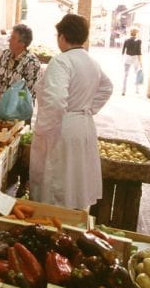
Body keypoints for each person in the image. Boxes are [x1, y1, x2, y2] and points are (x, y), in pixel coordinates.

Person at [31, 14, 113, 209]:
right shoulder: (92, 61)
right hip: (83, 126)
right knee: (76, 181)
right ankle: (74, 220)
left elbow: (57, 101)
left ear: (62, 37)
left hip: (63, 128)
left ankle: (57, 224)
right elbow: (107, 88)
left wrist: (42, 129)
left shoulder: (61, 61)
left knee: (57, 184)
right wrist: (87, 109)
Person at [0, 24, 42, 102]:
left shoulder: (32, 64)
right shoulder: (5, 54)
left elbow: (28, 93)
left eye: (13, 38)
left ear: (22, 44)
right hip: (2, 106)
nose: (9, 40)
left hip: (19, 111)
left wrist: (7, 98)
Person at [120, 28, 143, 95]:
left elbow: (123, 51)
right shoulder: (139, 41)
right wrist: (141, 62)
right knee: (136, 73)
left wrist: (122, 59)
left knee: (125, 74)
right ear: (136, 33)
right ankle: (137, 90)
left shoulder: (126, 40)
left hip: (127, 58)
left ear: (130, 32)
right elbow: (139, 52)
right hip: (135, 58)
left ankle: (123, 91)